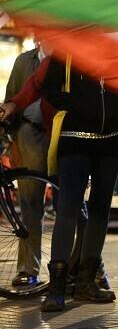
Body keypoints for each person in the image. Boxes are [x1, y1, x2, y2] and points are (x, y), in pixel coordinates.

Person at [40, 56, 118, 311]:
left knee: (100, 210)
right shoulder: (67, 49)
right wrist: (80, 107)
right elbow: (49, 89)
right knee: (68, 208)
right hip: (75, 137)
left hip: (111, 139)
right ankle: (56, 288)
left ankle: (86, 282)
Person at [3, 45, 48, 287]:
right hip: (29, 133)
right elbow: (12, 99)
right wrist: (14, 144)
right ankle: (28, 268)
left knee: (70, 205)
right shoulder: (24, 60)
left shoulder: (68, 56)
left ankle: (75, 268)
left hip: (61, 133)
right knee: (30, 204)